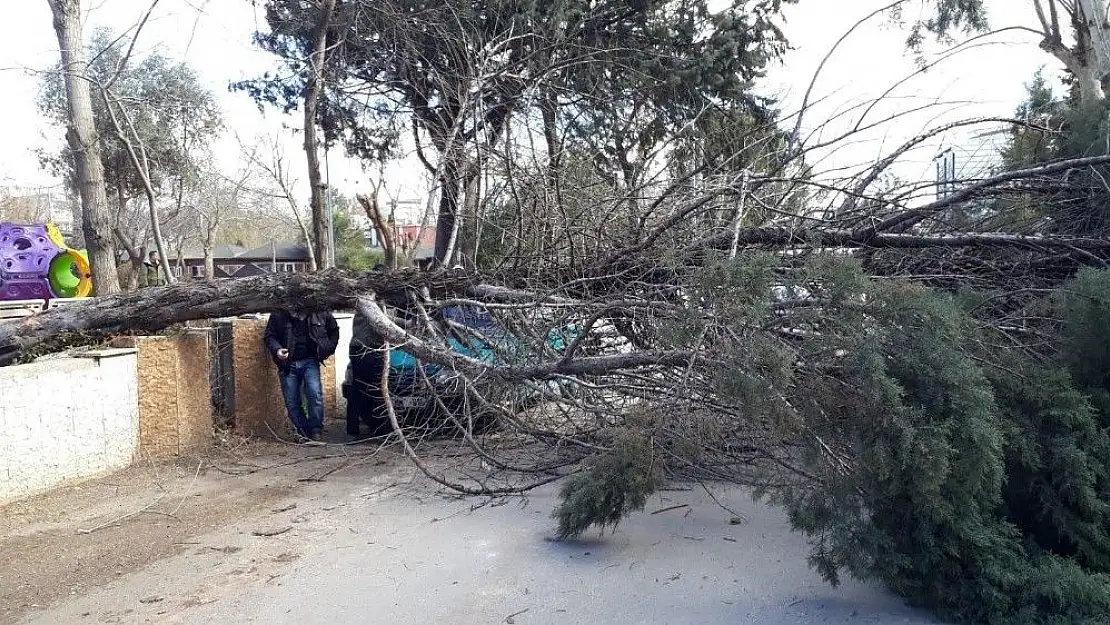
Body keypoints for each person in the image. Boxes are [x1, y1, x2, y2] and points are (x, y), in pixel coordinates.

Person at [264, 308, 340, 442]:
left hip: (310, 361)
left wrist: (328, 347)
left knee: (314, 394)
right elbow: (269, 336)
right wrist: (277, 350)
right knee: (292, 401)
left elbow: (334, 330)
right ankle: (303, 431)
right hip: (287, 364)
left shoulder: (319, 311)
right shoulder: (278, 313)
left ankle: (316, 430)